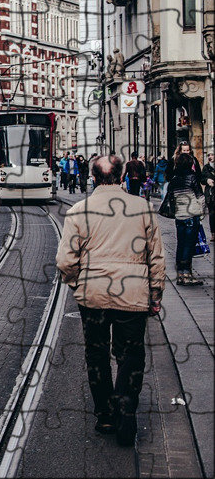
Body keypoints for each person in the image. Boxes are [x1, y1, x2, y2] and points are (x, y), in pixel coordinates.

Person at [56, 155, 165, 446]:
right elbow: (156, 258)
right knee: (131, 354)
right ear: (121, 177)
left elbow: (65, 260)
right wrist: (155, 295)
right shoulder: (143, 208)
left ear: (92, 178)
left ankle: (105, 414)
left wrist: (77, 283)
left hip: (93, 295)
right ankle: (126, 405)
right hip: (133, 293)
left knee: (97, 354)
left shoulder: (80, 210)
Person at [170, 153, 206, 286]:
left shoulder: (174, 178)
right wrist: (201, 212)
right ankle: (187, 274)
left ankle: (180, 274)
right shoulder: (192, 177)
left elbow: (171, 198)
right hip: (191, 215)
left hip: (180, 216)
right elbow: (200, 196)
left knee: (181, 244)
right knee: (189, 246)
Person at [204, 152, 215, 240]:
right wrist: (207, 180)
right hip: (210, 194)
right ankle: (213, 233)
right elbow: (201, 179)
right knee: (212, 214)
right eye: (209, 155)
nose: (210, 157)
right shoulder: (206, 167)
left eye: (212, 155)